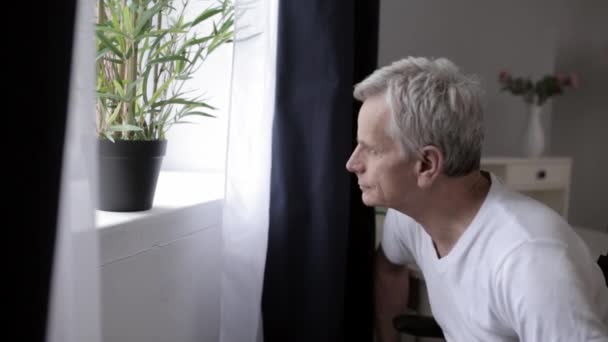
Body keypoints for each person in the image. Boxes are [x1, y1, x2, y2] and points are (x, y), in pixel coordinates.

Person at [345, 56, 608, 342]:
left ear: (426, 165)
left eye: (371, 149)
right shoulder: (410, 214)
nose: (352, 163)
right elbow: (389, 267)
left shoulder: (529, 260)